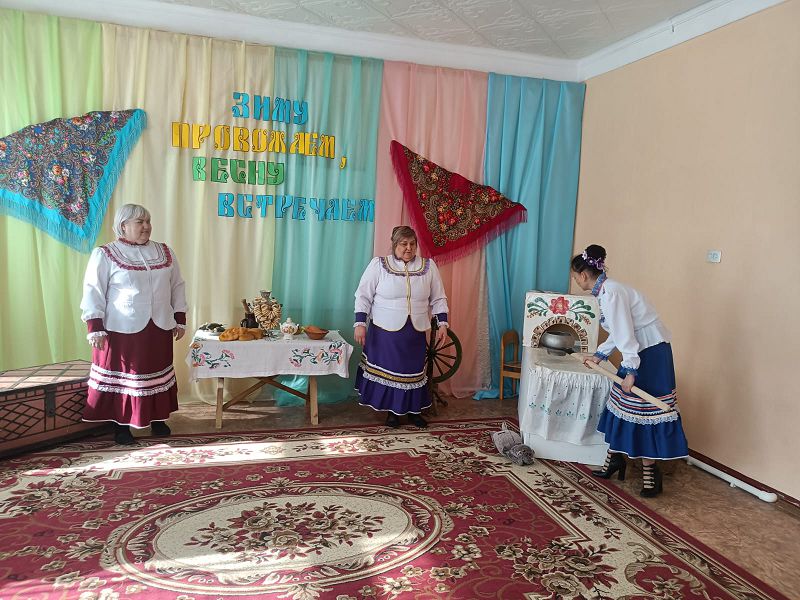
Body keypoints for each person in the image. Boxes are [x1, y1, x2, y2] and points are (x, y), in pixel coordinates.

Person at [571, 244, 688, 497]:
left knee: (645, 409)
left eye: (575, 276)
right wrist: (600, 355)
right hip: (636, 351)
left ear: (583, 275)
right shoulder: (607, 290)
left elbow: (625, 334)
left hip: (649, 354)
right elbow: (619, 331)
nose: (575, 280)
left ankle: (651, 473)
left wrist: (631, 370)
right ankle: (614, 459)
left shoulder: (611, 293)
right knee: (622, 403)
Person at [80, 204, 188, 445]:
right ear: (123, 225)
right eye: (140, 222)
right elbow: (93, 290)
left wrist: (179, 317)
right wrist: (95, 325)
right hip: (122, 329)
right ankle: (121, 425)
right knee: (127, 377)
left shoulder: (164, 251)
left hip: (159, 326)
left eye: (148, 221)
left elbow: (177, 285)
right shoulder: (105, 254)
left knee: (157, 372)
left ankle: (158, 418)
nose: (146, 226)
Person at [354, 226, 449, 428]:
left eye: (412, 244)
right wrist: (360, 323)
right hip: (384, 332)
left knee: (413, 372)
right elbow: (363, 295)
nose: (409, 248)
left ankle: (414, 412)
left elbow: (439, 298)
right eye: (403, 244)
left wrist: (443, 324)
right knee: (391, 371)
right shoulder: (379, 265)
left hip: (415, 331)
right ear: (394, 244)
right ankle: (392, 413)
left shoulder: (428, 267)